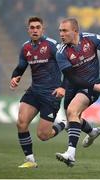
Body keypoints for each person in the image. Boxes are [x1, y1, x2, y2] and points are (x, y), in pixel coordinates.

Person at [55, 17, 100, 167]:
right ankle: (92, 132)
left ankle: (70, 154)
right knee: (73, 117)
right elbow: (72, 79)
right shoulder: (61, 52)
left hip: (90, 88)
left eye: (65, 30)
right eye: (60, 31)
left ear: (75, 30)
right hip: (75, 86)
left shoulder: (92, 39)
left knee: (73, 112)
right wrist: (98, 87)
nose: (61, 34)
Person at [10, 16, 66, 168]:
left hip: (51, 94)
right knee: (21, 123)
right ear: (28, 30)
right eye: (32, 27)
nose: (35, 30)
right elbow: (21, 67)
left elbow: (68, 67)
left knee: (43, 135)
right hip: (34, 91)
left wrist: (63, 87)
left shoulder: (52, 45)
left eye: (37, 27)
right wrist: (15, 77)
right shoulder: (26, 48)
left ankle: (63, 124)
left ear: (43, 29)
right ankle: (30, 160)